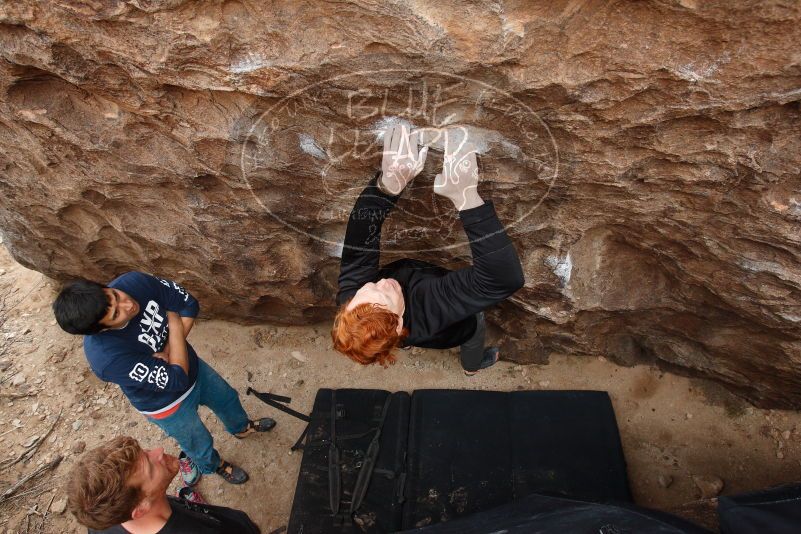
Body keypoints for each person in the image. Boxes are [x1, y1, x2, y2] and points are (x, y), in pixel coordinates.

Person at [332, 124, 525, 375]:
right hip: (454, 328)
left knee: (391, 322)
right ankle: (472, 365)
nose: (381, 283)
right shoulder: (430, 308)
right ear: (399, 322)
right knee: (475, 326)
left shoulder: (354, 303)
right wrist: (468, 201)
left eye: (369, 288)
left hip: (404, 323)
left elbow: (359, 246)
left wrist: (386, 186)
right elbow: (503, 280)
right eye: (385, 295)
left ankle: (399, 342)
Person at [53, 272, 275, 484]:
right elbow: (175, 379)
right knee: (197, 441)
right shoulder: (106, 358)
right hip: (166, 404)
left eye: (116, 296)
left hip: (195, 369)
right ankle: (213, 465)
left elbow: (190, 304)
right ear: (100, 330)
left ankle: (241, 428)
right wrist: (174, 321)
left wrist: (169, 351)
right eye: (116, 315)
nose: (128, 304)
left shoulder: (133, 282)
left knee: (227, 398)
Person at [67, 435, 261, 533]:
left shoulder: (102, 518)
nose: (159, 451)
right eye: (150, 468)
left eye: (146, 452)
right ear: (140, 508)